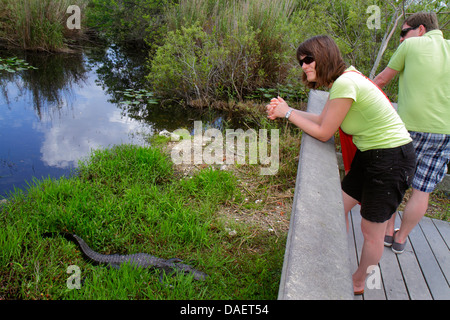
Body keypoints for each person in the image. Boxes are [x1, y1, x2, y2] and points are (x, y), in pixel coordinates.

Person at [266, 35, 416, 295]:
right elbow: (322, 118)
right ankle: (335, 257)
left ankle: (359, 281)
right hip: (371, 156)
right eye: (301, 61)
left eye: (308, 59)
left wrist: (287, 114)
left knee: (371, 230)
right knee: (336, 206)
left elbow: (324, 132)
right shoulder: (342, 81)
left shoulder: (346, 82)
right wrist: (288, 110)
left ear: (324, 56)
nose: (304, 66)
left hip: (391, 159)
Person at [374, 12, 450, 254]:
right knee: (422, 188)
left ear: (420, 29)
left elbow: (382, 80)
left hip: (409, 128)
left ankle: (387, 232)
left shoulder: (411, 46)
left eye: (403, 32)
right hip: (445, 132)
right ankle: (401, 239)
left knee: (395, 178)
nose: (401, 39)